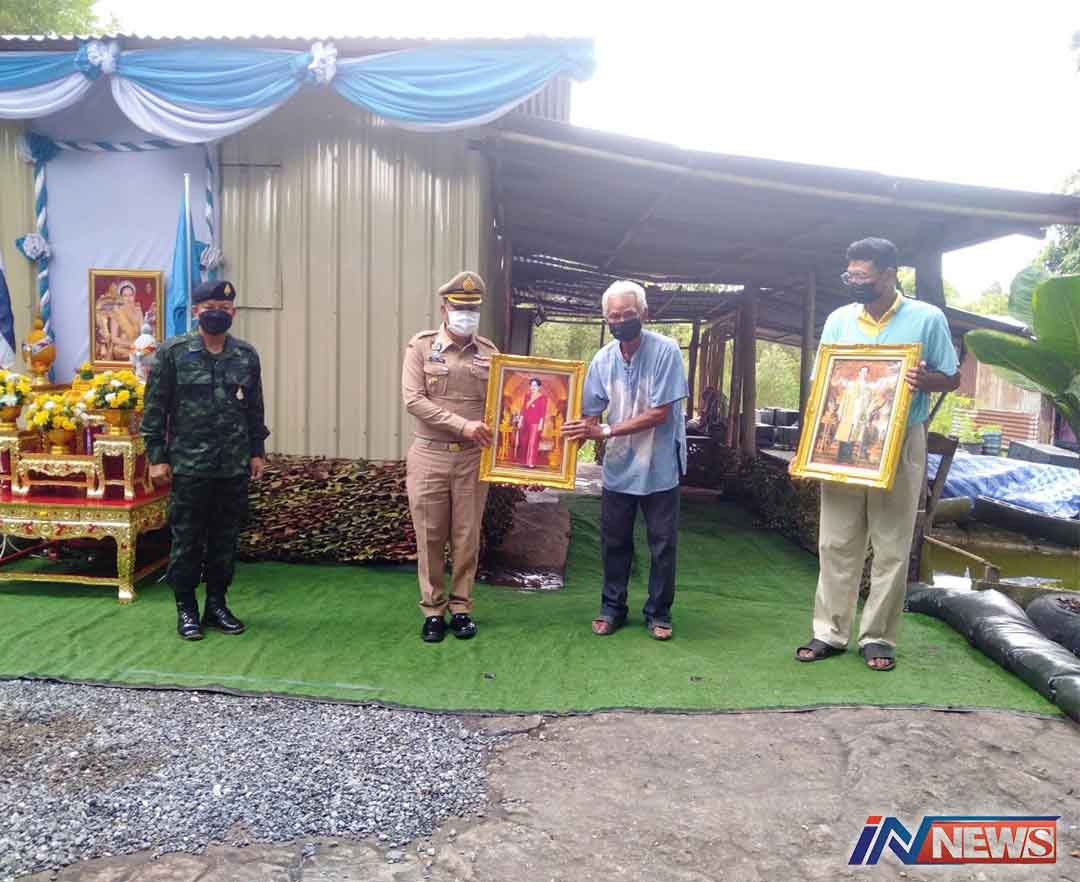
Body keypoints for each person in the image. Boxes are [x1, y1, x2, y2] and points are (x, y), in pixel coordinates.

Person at [795, 238, 959, 671]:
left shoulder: (927, 318)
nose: (853, 283)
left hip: (900, 440)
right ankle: (829, 632)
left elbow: (951, 377)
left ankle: (878, 637)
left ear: (889, 275)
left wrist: (925, 380)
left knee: (891, 545)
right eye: (849, 275)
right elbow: (823, 384)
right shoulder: (839, 320)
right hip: (844, 442)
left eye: (862, 276)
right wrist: (813, 442)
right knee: (835, 541)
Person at [141, 279, 269, 641]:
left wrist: (257, 451)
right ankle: (186, 608)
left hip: (233, 465)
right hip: (189, 465)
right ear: (196, 311)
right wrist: (156, 456)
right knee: (187, 538)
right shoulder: (173, 353)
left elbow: (254, 408)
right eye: (210, 308)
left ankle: (216, 604)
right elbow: (155, 409)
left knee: (225, 539)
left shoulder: (245, 355)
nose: (217, 313)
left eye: (224, 308)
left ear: (234, 312)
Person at [564, 279, 688, 641]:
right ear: (606, 319)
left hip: (660, 465)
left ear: (644, 314)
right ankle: (612, 608)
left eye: (628, 314)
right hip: (619, 466)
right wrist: (550, 462)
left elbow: (660, 413)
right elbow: (588, 414)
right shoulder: (603, 359)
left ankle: (659, 612)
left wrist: (603, 431)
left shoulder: (666, 351)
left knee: (662, 544)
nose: (621, 321)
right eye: (614, 316)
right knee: (614, 541)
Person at [402, 270, 498, 643]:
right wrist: (463, 425)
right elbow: (414, 400)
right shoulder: (421, 347)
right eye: (459, 308)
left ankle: (460, 608)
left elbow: (504, 407)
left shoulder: (490, 353)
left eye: (473, 309)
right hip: (429, 455)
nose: (466, 315)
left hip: (472, 459)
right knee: (429, 535)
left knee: (466, 535)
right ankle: (432, 609)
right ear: (444, 308)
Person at [834, 366, 873, 463]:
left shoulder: (868, 389)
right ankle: (841, 456)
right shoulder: (852, 385)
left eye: (866, 372)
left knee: (853, 436)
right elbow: (845, 399)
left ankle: (848, 457)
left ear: (867, 375)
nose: (864, 374)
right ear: (859, 373)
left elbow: (868, 403)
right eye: (862, 372)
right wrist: (840, 411)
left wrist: (866, 415)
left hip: (859, 414)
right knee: (844, 434)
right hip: (849, 412)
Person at [516, 378, 548, 468]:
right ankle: (524, 461)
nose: (533, 387)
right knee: (524, 442)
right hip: (525, 422)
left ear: (539, 387)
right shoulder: (527, 396)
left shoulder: (542, 398)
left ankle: (531, 462)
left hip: (535, 423)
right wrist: (520, 421)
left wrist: (541, 424)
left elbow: (542, 412)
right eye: (531, 385)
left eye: (535, 385)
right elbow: (523, 409)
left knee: (532, 443)